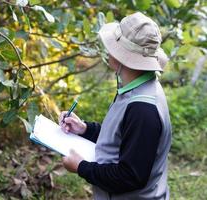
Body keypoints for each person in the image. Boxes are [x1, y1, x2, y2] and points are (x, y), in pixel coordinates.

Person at [59, 12, 172, 200]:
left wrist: (81, 167)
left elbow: (130, 176)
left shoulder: (143, 110)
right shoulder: (137, 86)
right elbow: (125, 141)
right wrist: (85, 129)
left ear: (123, 59)